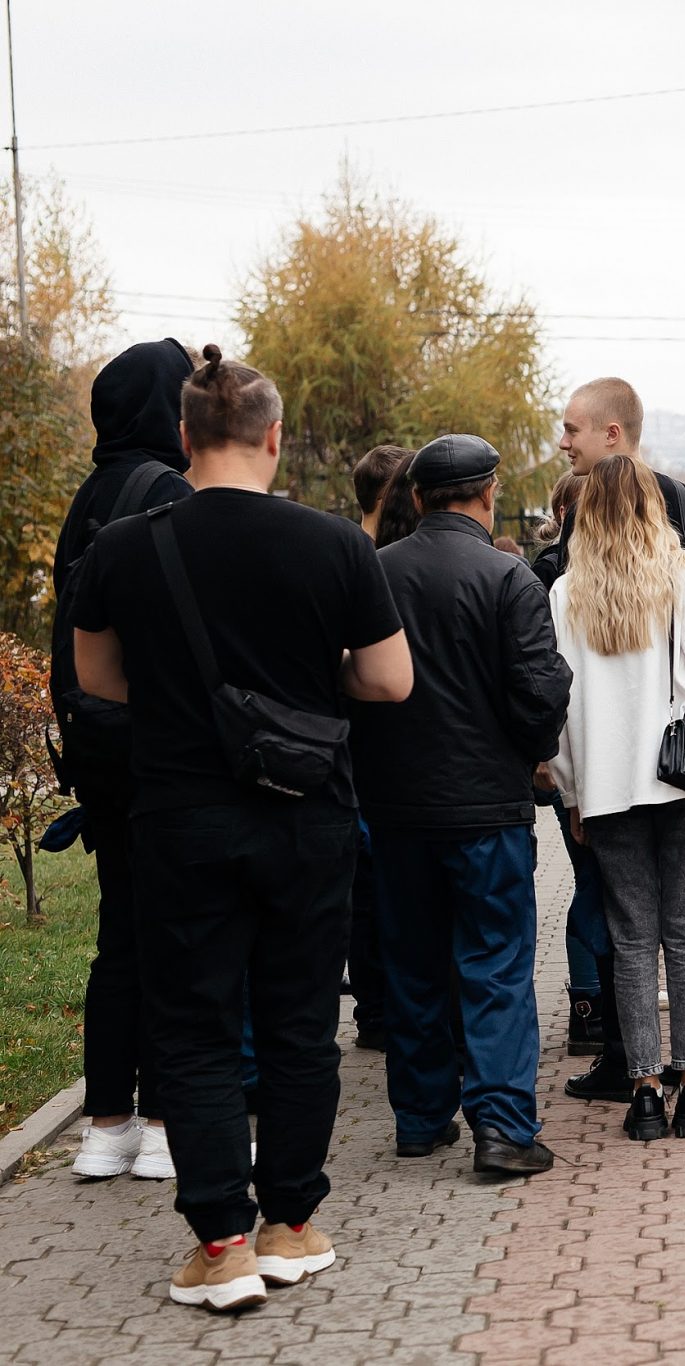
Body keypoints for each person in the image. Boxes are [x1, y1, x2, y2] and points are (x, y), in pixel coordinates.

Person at [70, 345, 413, 1312]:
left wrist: (189, 698)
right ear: (273, 437)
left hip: (179, 817)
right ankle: (294, 1226)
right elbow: (389, 681)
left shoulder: (125, 546)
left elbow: (98, 681)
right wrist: (308, 688)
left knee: (196, 1027)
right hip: (308, 818)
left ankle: (219, 1245)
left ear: (183, 440)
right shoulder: (333, 545)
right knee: (303, 1026)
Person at [543, 377, 685, 1104]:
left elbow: (563, 708)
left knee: (633, 939)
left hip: (610, 789)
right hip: (684, 783)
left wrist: (573, 790)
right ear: (651, 506)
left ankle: (642, 1085)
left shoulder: (566, 594)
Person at [350, 434, 572, 1176]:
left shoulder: (375, 574)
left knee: (412, 962)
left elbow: (349, 686)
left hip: (396, 809)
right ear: (487, 494)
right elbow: (541, 695)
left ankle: (419, 1118)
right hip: (487, 808)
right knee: (497, 965)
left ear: (416, 498)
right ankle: (503, 1128)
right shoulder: (511, 580)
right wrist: (525, 753)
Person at [48, 338, 195, 1182]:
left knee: (120, 937)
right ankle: (172, 1124)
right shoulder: (166, 493)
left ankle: (107, 1127)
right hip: (156, 750)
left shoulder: (91, 494)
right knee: (177, 936)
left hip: (94, 752)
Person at [532, 472, 606, 1055]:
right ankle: (591, 1000)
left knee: (593, 879)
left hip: (570, 750)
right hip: (583, 750)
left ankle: (589, 1003)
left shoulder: (541, 573)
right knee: (599, 881)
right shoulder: (551, 576)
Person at [342, 443, 412, 1054]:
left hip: (354, 753)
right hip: (372, 754)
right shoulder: (372, 563)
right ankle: (383, 1007)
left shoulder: (349, 557)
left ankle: (374, 1010)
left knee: (365, 895)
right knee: (375, 891)